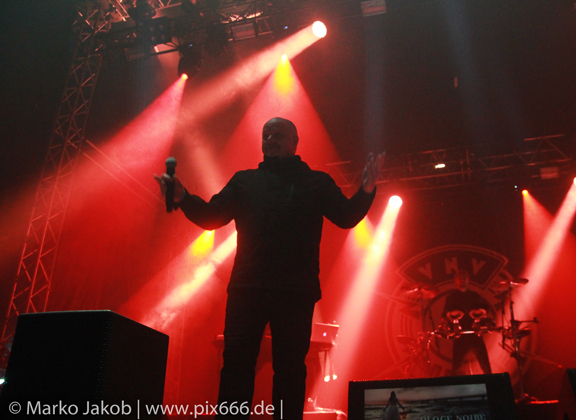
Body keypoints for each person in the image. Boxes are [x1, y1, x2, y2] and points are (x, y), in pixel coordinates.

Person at [155, 117, 384, 419]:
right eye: (266, 135)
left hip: (294, 292)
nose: (271, 140)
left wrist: (366, 189)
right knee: (236, 368)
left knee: (290, 371)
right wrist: (183, 197)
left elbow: (346, 216)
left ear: (295, 142)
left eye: (278, 134)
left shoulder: (316, 182)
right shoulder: (245, 181)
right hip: (247, 289)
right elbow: (212, 216)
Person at [441, 269, 492, 376]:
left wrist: (481, 322)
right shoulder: (451, 298)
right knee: (456, 366)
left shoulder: (475, 296)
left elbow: (484, 312)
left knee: (485, 364)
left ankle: (491, 384)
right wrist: (449, 325)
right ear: (456, 281)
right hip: (460, 335)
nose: (462, 280)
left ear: (468, 280)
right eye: (460, 278)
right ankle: (456, 385)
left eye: (464, 278)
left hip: (474, 333)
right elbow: (444, 316)